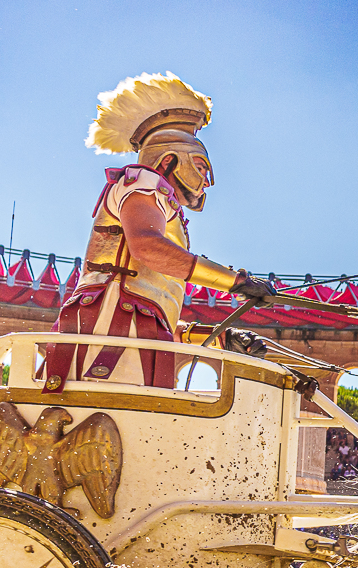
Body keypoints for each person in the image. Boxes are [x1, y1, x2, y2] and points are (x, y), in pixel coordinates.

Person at [45, 73, 276, 391]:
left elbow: (153, 315)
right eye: (201, 166)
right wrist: (234, 282)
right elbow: (147, 248)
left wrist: (220, 336)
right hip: (105, 346)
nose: (206, 181)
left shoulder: (162, 207)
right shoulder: (144, 182)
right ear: (168, 160)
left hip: (120, 340)